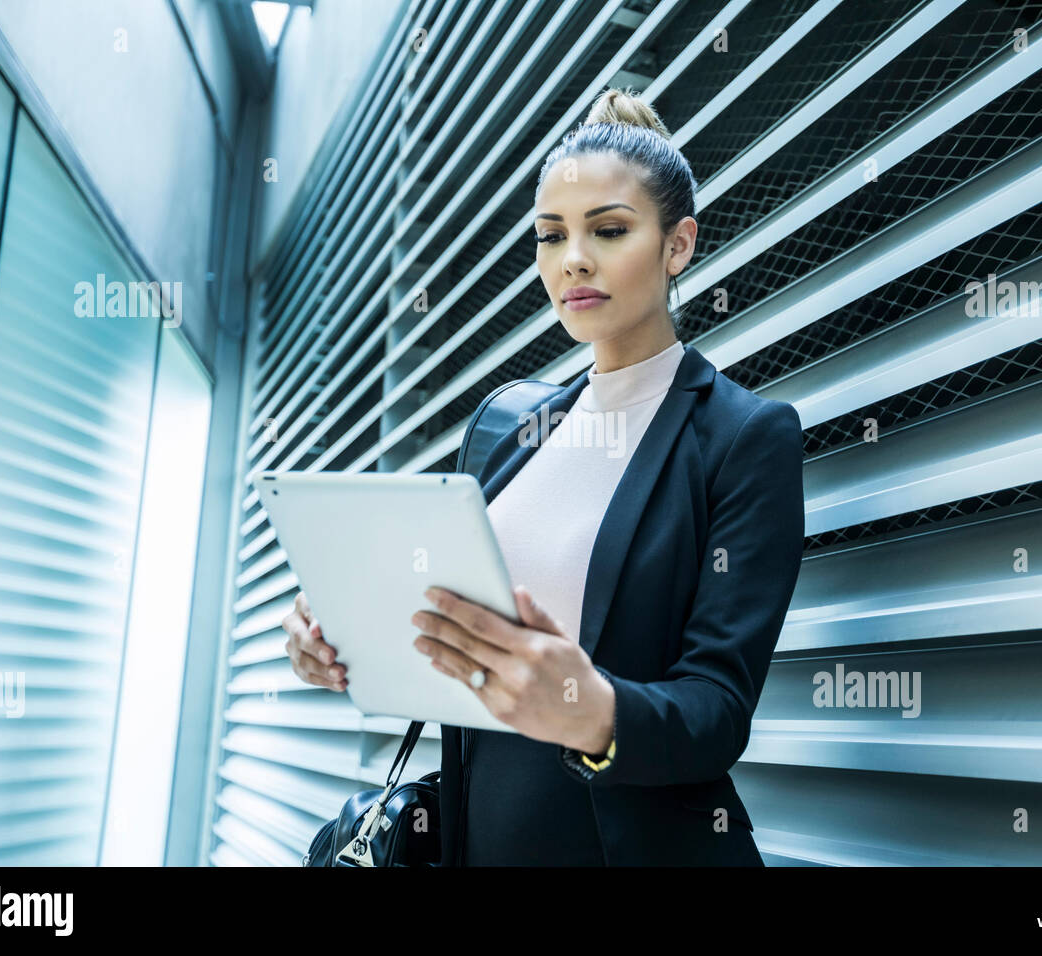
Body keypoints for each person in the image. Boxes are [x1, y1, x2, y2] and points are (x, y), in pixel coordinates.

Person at [282, 87, 804, 865]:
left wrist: (592, 711)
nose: (574, 260)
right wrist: (341, 636)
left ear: (679, 244)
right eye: (550, 235)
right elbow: (449, 633)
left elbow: (718, 710)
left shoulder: (742, 436)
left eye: (609, 230)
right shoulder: (507, 425)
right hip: (478, 836)